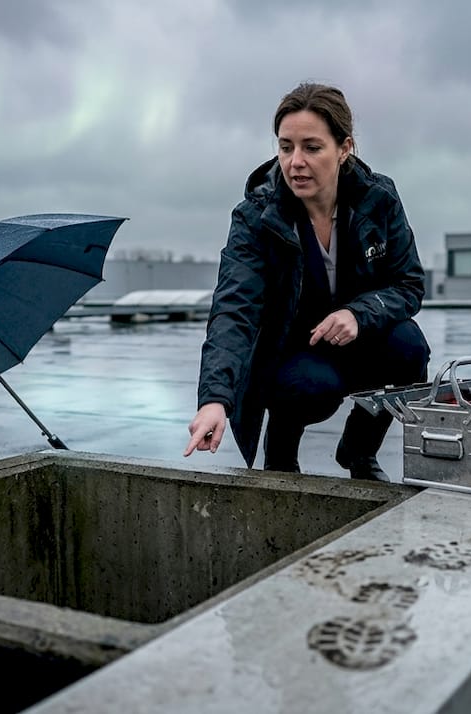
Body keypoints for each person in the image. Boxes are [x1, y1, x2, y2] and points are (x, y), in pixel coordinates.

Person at [184, 82, 430, 480]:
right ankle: (281, 451)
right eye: (285, 147)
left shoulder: (379, 199)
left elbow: (409, 284)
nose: (295, 162)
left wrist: (358, 313)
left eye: (312, 148)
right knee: (313, 386)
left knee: (410, 347)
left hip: (355, 335)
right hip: (292, 353)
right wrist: (215, 400)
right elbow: (234, 309)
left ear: (344, 148)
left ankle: (358, 452)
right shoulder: (256, 217)